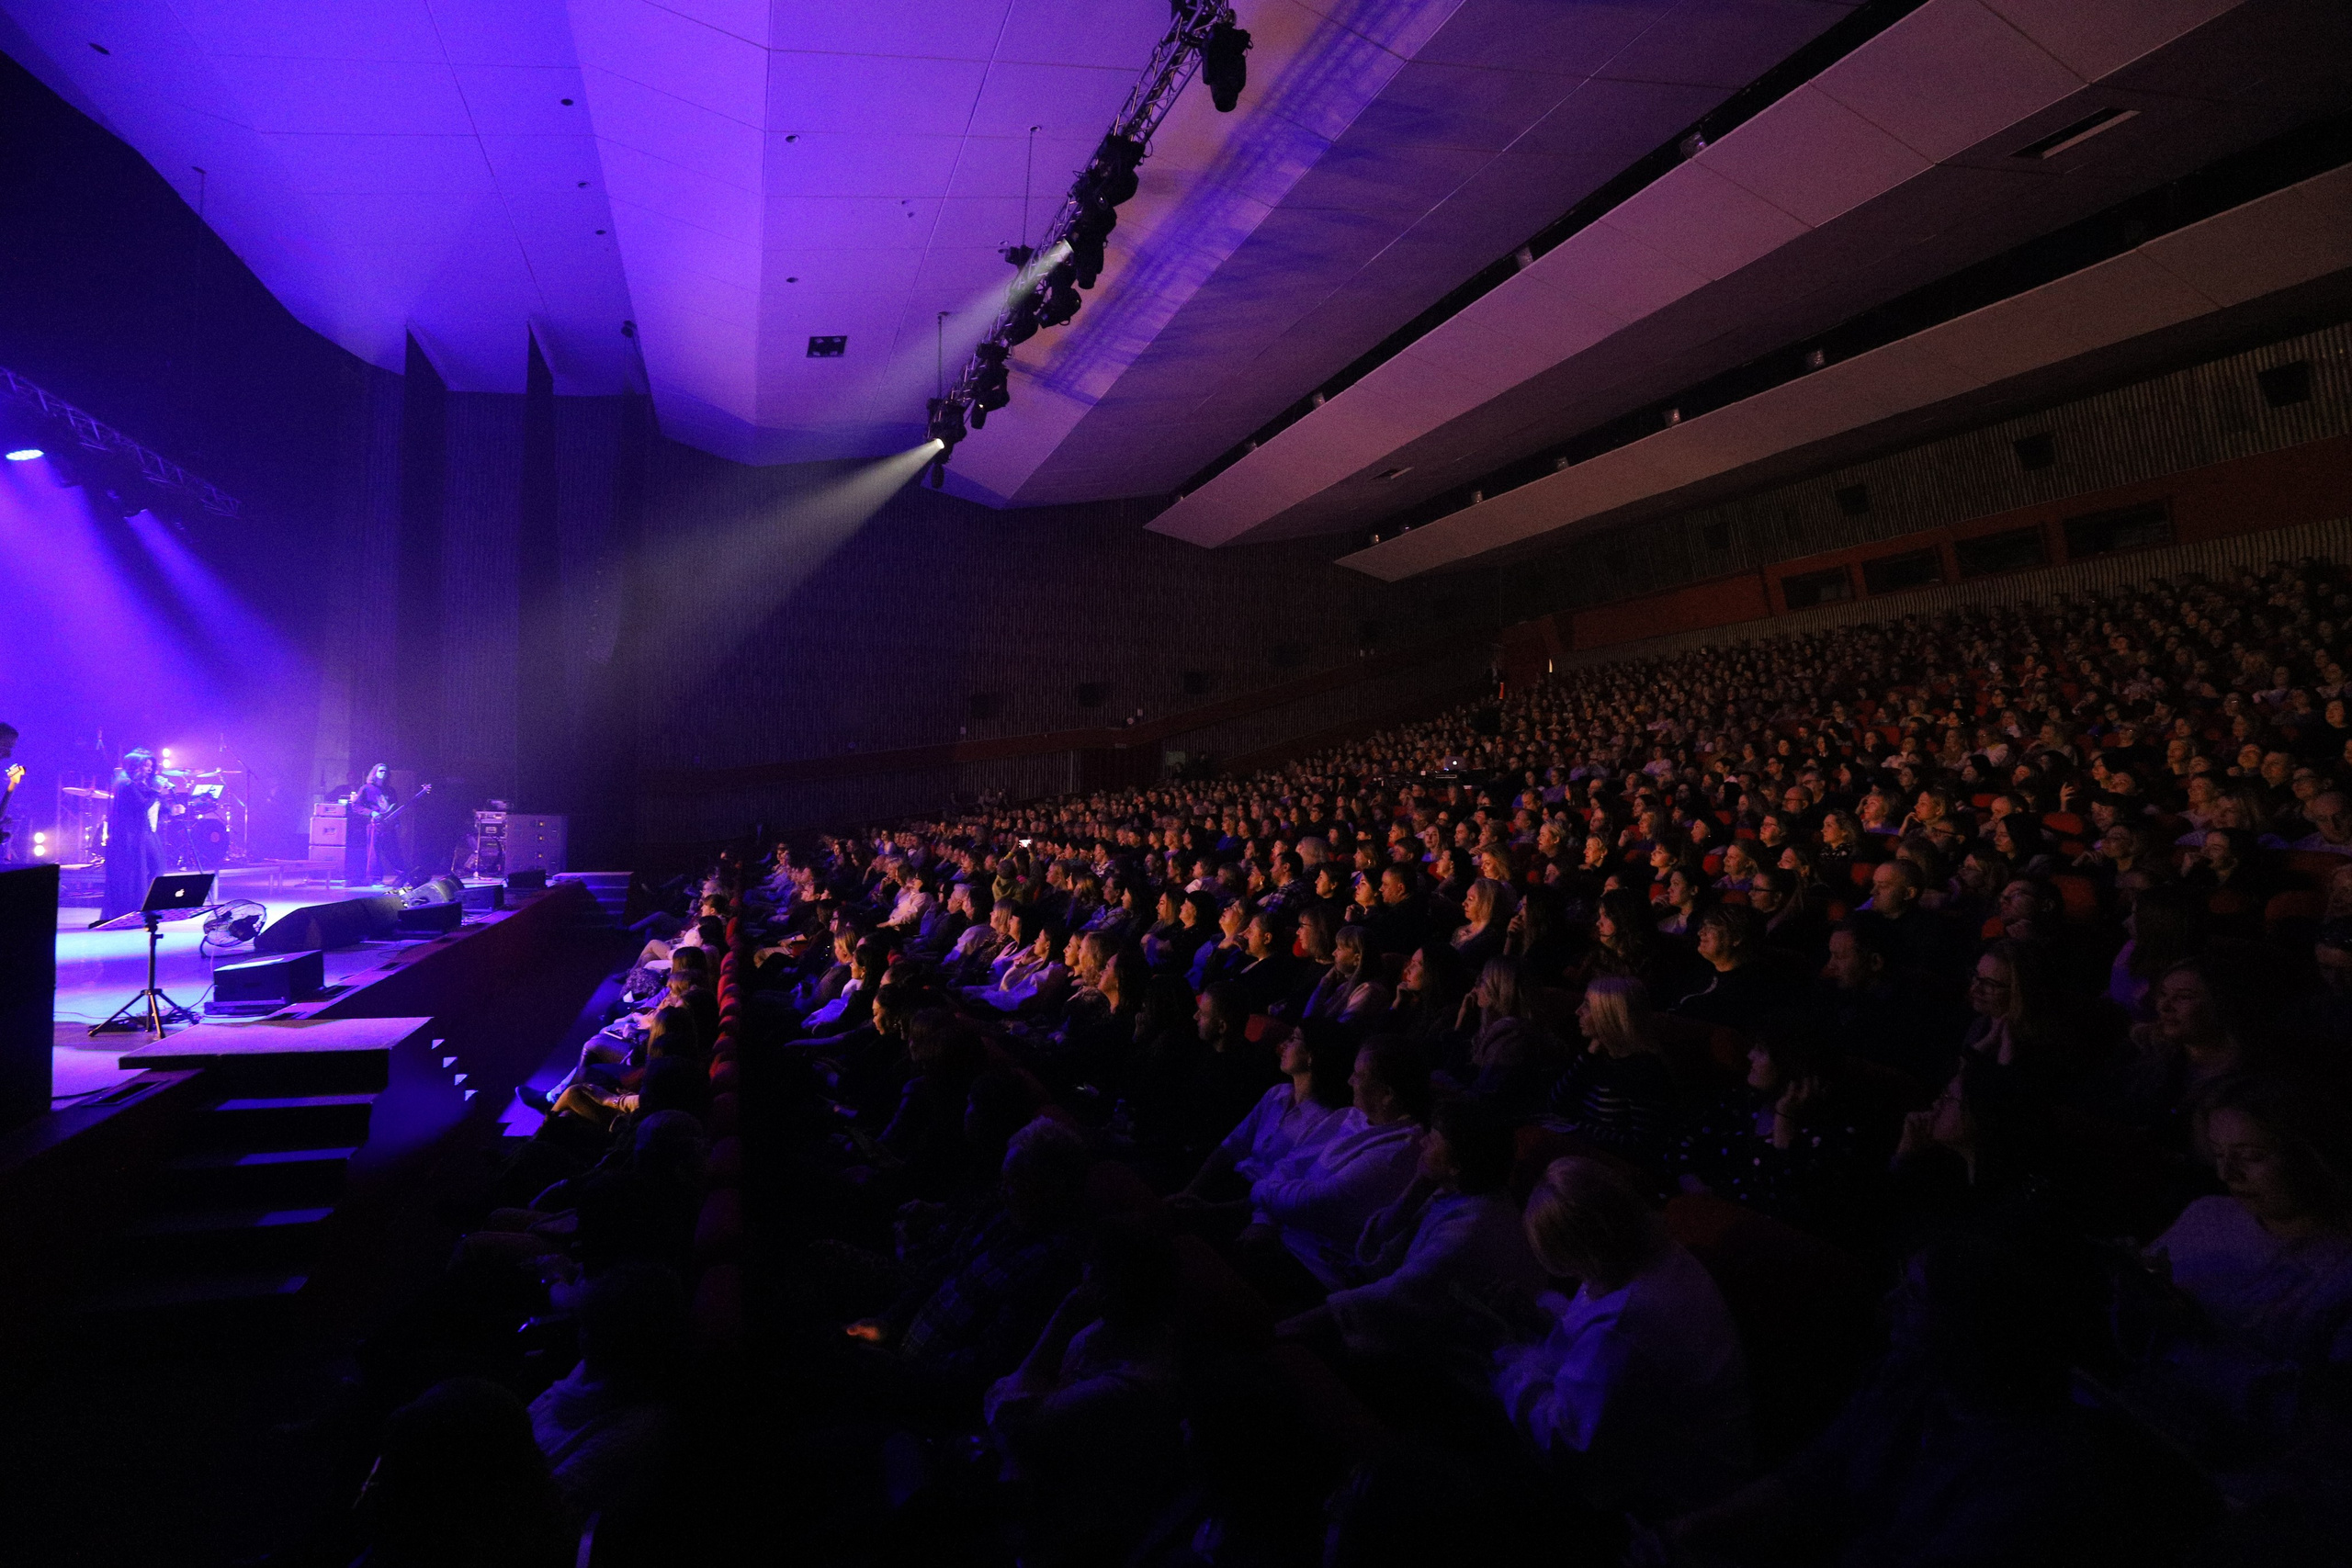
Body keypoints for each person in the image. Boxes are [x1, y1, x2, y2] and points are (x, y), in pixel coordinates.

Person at [1495, 1156, 1751, 1520]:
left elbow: (1568, 1441)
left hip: (1681, 1497)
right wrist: (1542, 1322)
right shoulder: (1656, 1255)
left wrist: (1511, 1365)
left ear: (1577, 1251)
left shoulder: (1622, 1324)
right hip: (1691, 1449)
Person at [101, 747, 175, 919]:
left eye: (151, 766)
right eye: (145, 766)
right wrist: (156, 791)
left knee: (158, 867)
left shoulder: (144, 783)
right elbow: (142, 806)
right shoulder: (125, 784)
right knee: (136, 872)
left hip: (147, 831)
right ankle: (138, 909)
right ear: (134, 766)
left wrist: (170, 809)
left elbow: (155, 805)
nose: (149, 769)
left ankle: (149, 905)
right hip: (131, 835)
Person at [356, 762, 410, 885]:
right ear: (374, 773)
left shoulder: (390, 790)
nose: (383, 773)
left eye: (385, 771)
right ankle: (375, 880)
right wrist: (371, 813)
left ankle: (403, 877)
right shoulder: (366, 788)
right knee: (374, 853)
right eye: (381, 771)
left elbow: (395, 809)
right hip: (374, 825)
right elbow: (356, 806)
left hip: (389, 826)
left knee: (393, 851)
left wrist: (397, 823)